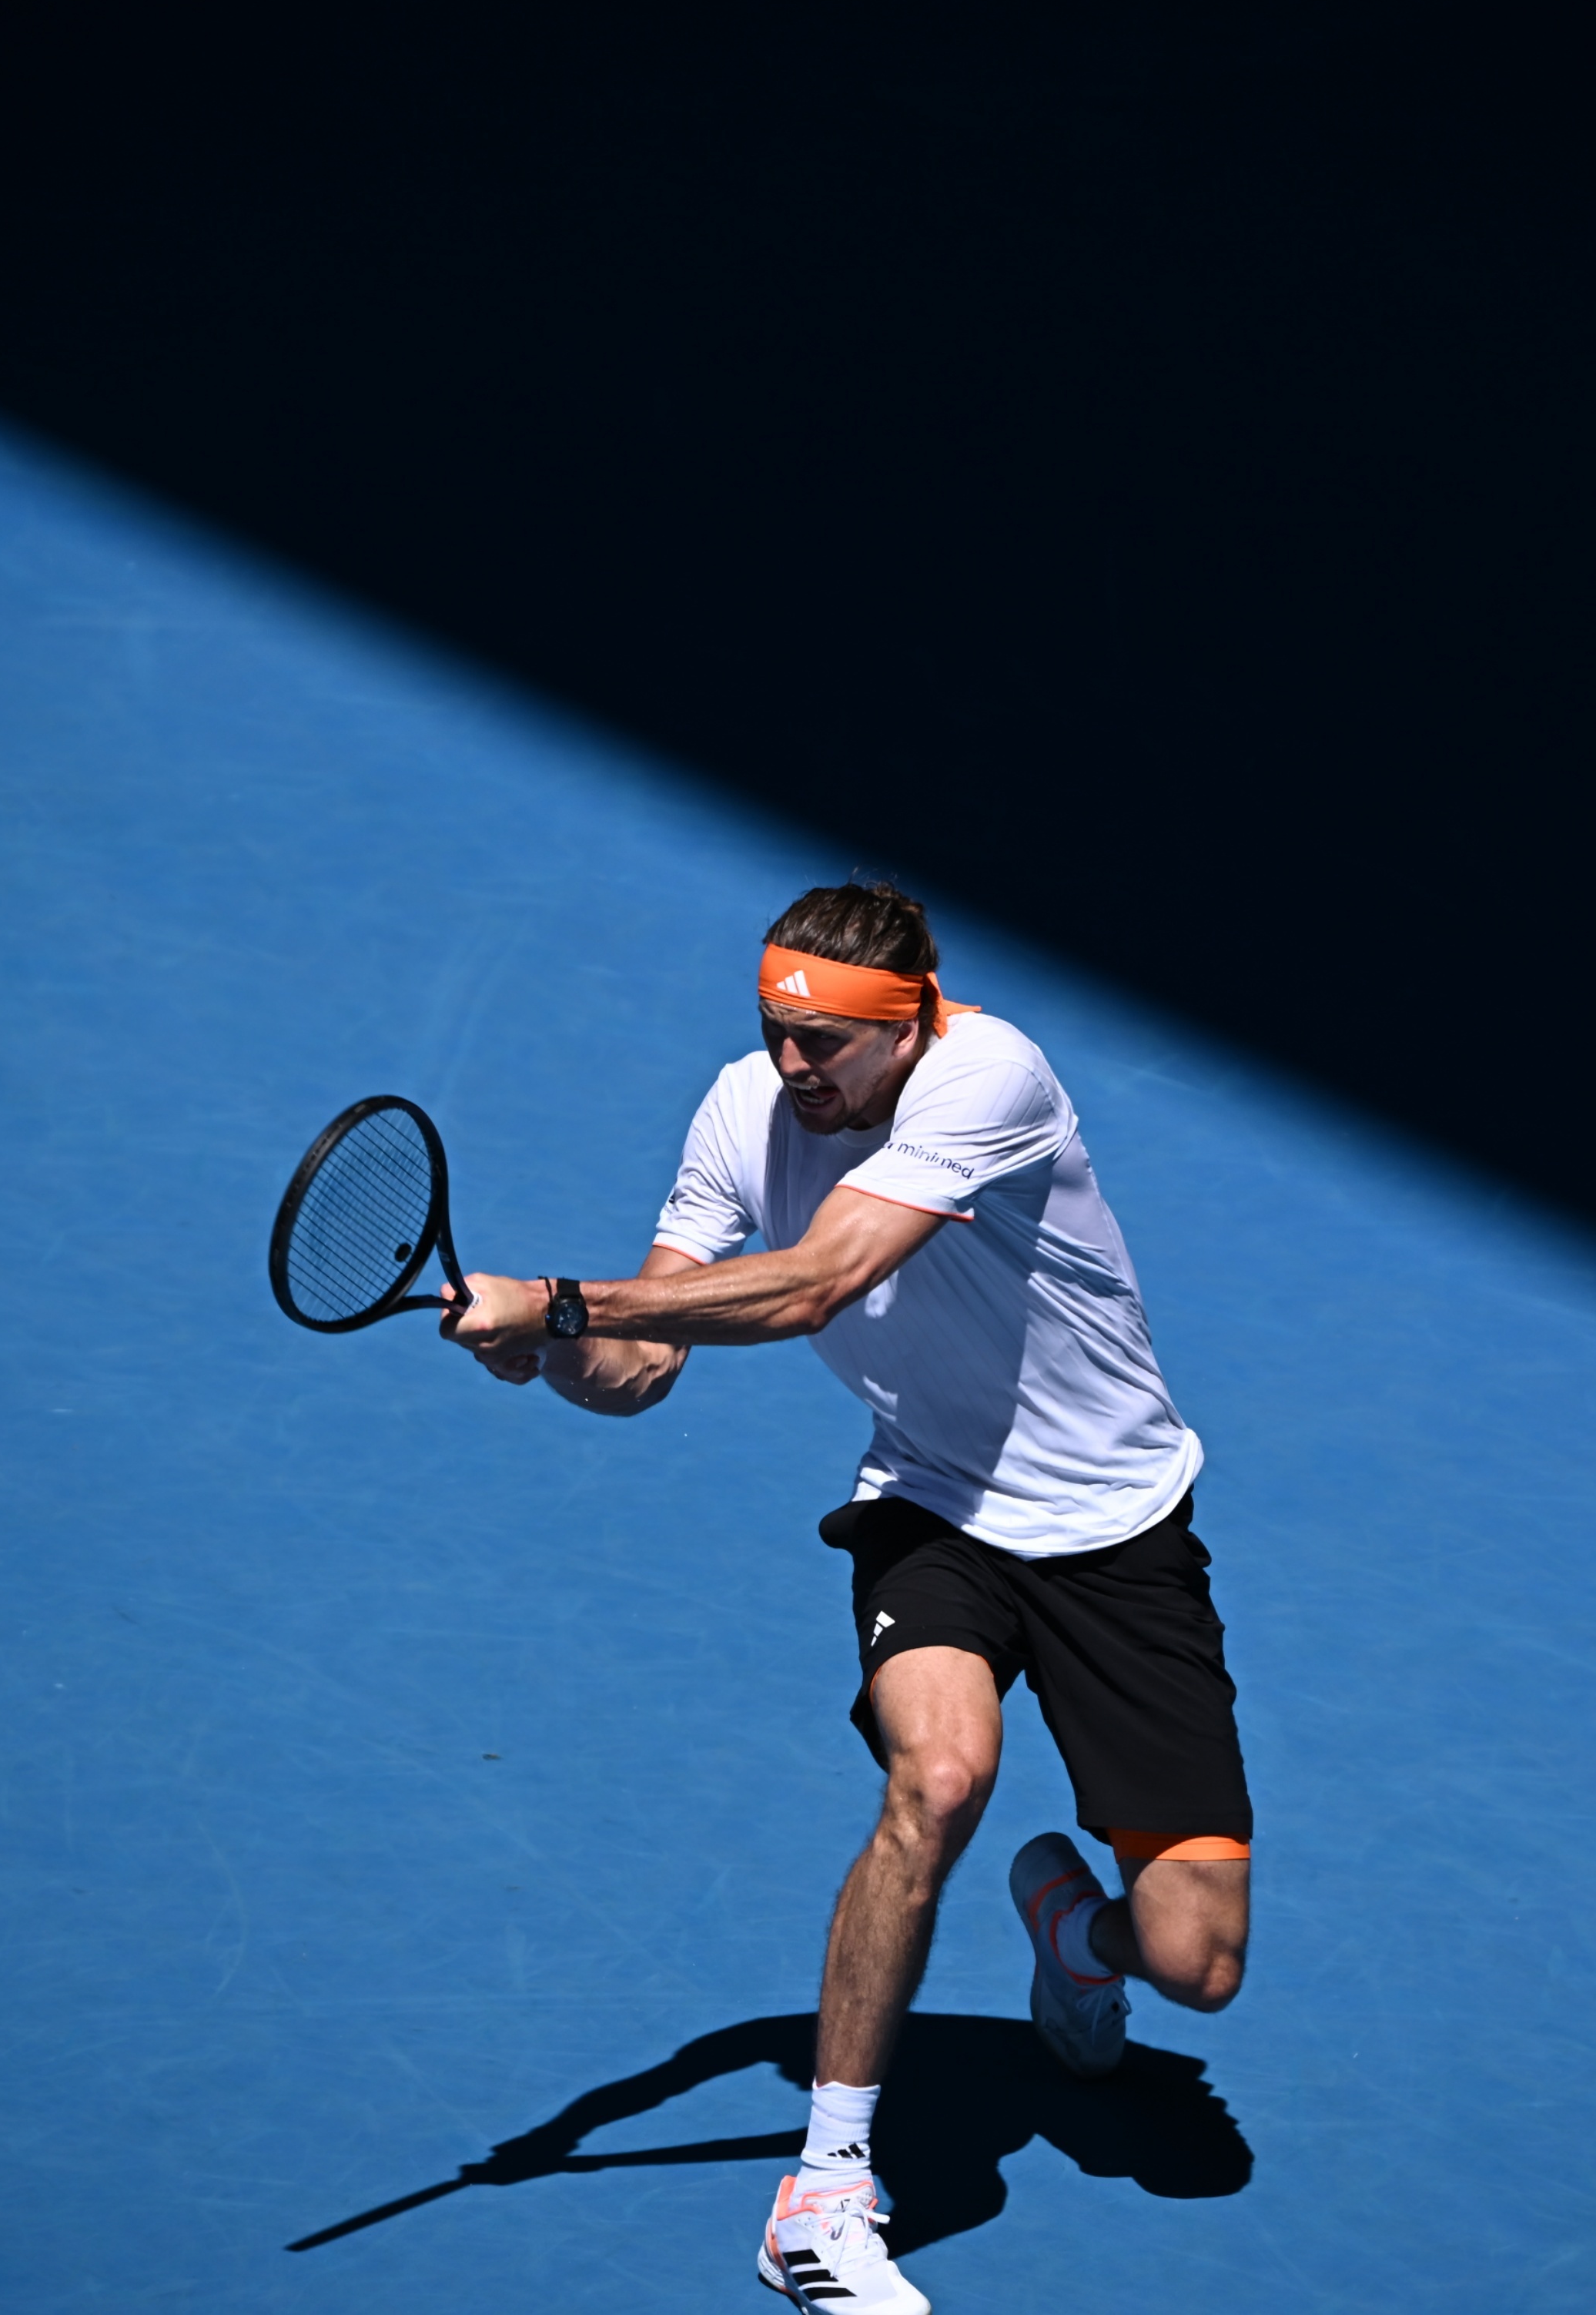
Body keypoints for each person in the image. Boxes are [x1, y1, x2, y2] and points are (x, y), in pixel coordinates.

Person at [438, 882, 1252, 2315]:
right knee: (938, 1779)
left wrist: (559, 1299)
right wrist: (552, 1351)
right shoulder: (741, 1113)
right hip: (930, 1506)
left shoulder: (991, 1074)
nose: (794, 1065)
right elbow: (641, 1367)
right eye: (776, 1029)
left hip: (1116, 1529)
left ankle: (1077, 1937)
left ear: (910, 1024)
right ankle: (821, 2195)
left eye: (827, 1042)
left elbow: (817, 1283)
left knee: (1196, 1960)